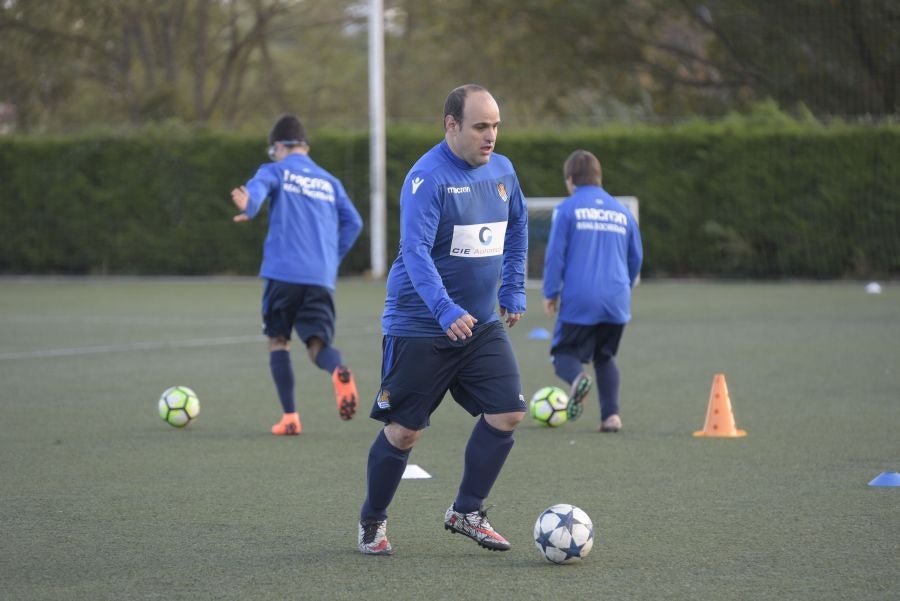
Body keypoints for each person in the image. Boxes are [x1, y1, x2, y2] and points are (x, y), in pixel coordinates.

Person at [357, 84, 528, 555]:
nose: (490, 136)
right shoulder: (427, 178)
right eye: (479, 127)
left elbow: (517, 228)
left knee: (509, 411)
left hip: (478, 324)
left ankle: (466, 511)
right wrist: (444, 308)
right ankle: (373, 519)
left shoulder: (503, 170)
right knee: (404, 431)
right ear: (451, 125)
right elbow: (414, 252)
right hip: (421, 324)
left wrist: (512, 287)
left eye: (495, 126)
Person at [230, 114, 363, 435]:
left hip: (283, 274)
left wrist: (249, 207)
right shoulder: (330, 182)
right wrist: (330, 260)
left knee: (278, 341)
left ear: (278, 146)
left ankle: (290, 417)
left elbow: (258, 191)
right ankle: (338, 370)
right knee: (318, 345)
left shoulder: (275, 169)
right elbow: (354, 223)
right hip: (319, 277)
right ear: (304, 145)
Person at [542, 149, 643, 433]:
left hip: (580, 299)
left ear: (571, 180)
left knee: (562, 354)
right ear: (599, 178)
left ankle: (577, 380)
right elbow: (636, 257)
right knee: (605, 356)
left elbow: (555, 255)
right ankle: (611, 417)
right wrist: (623, 285)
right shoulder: (622, 212)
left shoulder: (567, 209)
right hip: (617, 299)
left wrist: (550, 293)